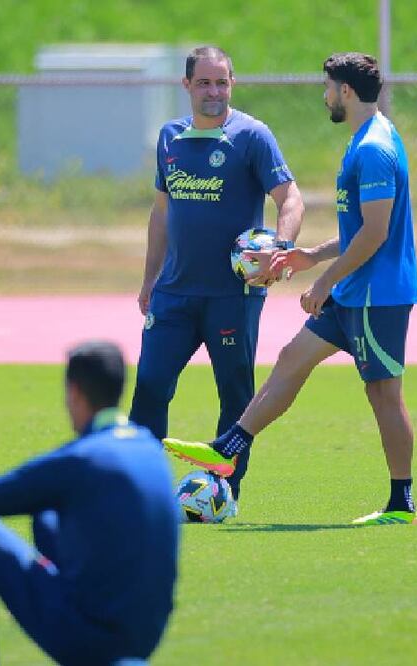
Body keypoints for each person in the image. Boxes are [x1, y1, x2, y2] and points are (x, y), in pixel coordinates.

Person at [163, 52, 417, 526]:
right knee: (291, 359)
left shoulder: (374, 148)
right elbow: (357, 228)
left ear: (344, 90)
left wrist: (325, 279)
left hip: (376, 296)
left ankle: (401, 503)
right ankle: (229, 448)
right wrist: (309, 258)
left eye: (327, 88)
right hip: (353, 292)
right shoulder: (362, 140)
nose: (324, 96)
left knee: (384, 394)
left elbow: (376, 233)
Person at [0, 340, 179, 666]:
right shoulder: (151, 449)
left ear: (74, 391)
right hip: (147, 637)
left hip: (92, 640)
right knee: (45, 513)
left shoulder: (80, 459)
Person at [130, 45, 305, 503]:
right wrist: (149, 278)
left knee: (234, 394)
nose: (214, 91)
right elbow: (160, 213)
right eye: (204, 82)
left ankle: (224, 492)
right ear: (186, 85)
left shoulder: (252, 136)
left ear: (232, 83)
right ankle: (139, 493)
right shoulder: (170, 137)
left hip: (232, 295)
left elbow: (291, 200)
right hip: (173, 292)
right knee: (149, 385)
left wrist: (280, 250)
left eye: (222, 82)